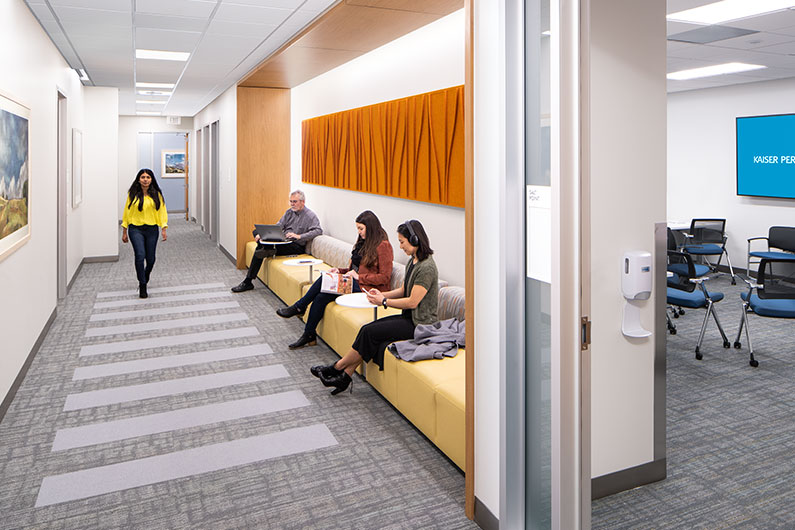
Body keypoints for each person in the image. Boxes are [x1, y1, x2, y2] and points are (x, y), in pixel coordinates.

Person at [311, 220, 438, 395]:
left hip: (421, 324)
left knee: (370, 332)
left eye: (402, 242)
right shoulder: (413, 261)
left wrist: (383, 302)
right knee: (367, 331)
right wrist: (380, 295)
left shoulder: (426, 268)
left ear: (415, 240)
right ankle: (345, 376)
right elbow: (403, 290)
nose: (400, 246)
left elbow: (412, 302)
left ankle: (337, 367)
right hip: (409, 317)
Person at [277, 210, 393, 349]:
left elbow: (385, 277)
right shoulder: (363, 242)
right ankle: (309, 334)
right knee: (321, 295)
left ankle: (300, 306)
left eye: (361, 229)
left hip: (368, 289)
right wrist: (340, 271)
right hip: (354, 282)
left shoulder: (383, 246)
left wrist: (359, 277)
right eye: (358, 228)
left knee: (323, 281)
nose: (359, 232)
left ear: (371, 227)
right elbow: (355, 268)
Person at [232, 190, 322, 292]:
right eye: (291, 201)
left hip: (295, 245)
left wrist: (298, 236)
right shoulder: (289, 212)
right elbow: (278, 226)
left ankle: (248, 281)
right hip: (283, 240)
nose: (292, 204)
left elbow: (318, 231)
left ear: (303, 202)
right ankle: (267, 248)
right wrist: (263, 235)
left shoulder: (310, 216)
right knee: (256, 231)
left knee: (260, 248)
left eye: (295, 202)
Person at [121, 168, 168, 298]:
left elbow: (162, 211)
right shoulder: (133, 194)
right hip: (135, 229)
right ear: (139, 179)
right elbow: (126, 212)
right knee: (140, 255)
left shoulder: (157, 194)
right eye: (143, 177)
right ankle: (142, 284)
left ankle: (145, 275)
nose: (145, 179)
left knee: (151, 259)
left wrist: (163, 228)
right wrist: (124, 231)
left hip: (152, 229)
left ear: (151, 179)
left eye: (148, 177)